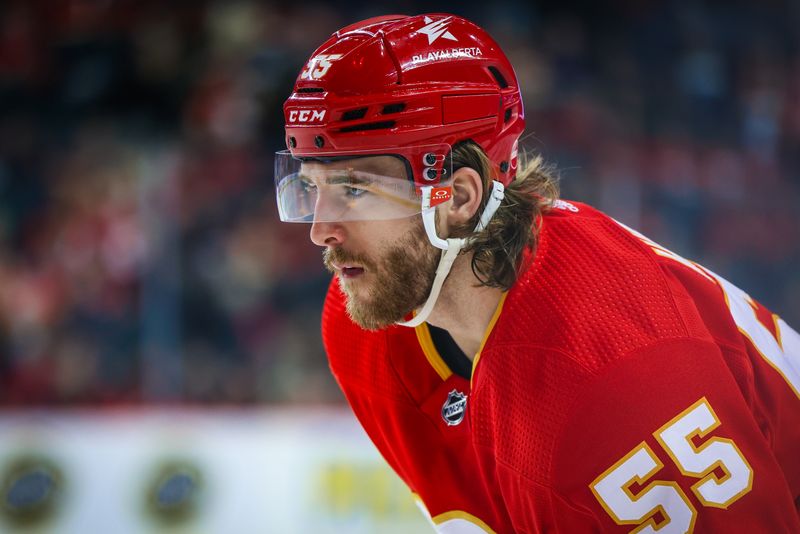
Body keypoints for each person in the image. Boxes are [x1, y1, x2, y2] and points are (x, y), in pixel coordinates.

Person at [274, 13, 800, 533]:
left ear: (457, 197)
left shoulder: (613, 384)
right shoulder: (365, 327)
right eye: (312, 187)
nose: (320, 231)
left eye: (355, 190)